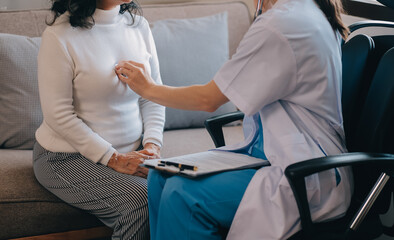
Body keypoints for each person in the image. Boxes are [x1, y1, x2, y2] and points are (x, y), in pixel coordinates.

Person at [115, 0, 353, 238]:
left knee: (183, 195)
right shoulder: (302, 11)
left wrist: (147, 89)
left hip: (303, 173)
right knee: (162, 174)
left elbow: (207, 100)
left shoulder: (281, 25)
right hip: (276, 154)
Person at [32, 0, 165, 239]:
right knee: (140, 203)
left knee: (180, 194)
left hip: (134, 152)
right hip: (66, 158)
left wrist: (152, 146)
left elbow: (153, 96)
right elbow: (58, 115)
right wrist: (114, 159)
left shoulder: (139, 27)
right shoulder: (59, 36)